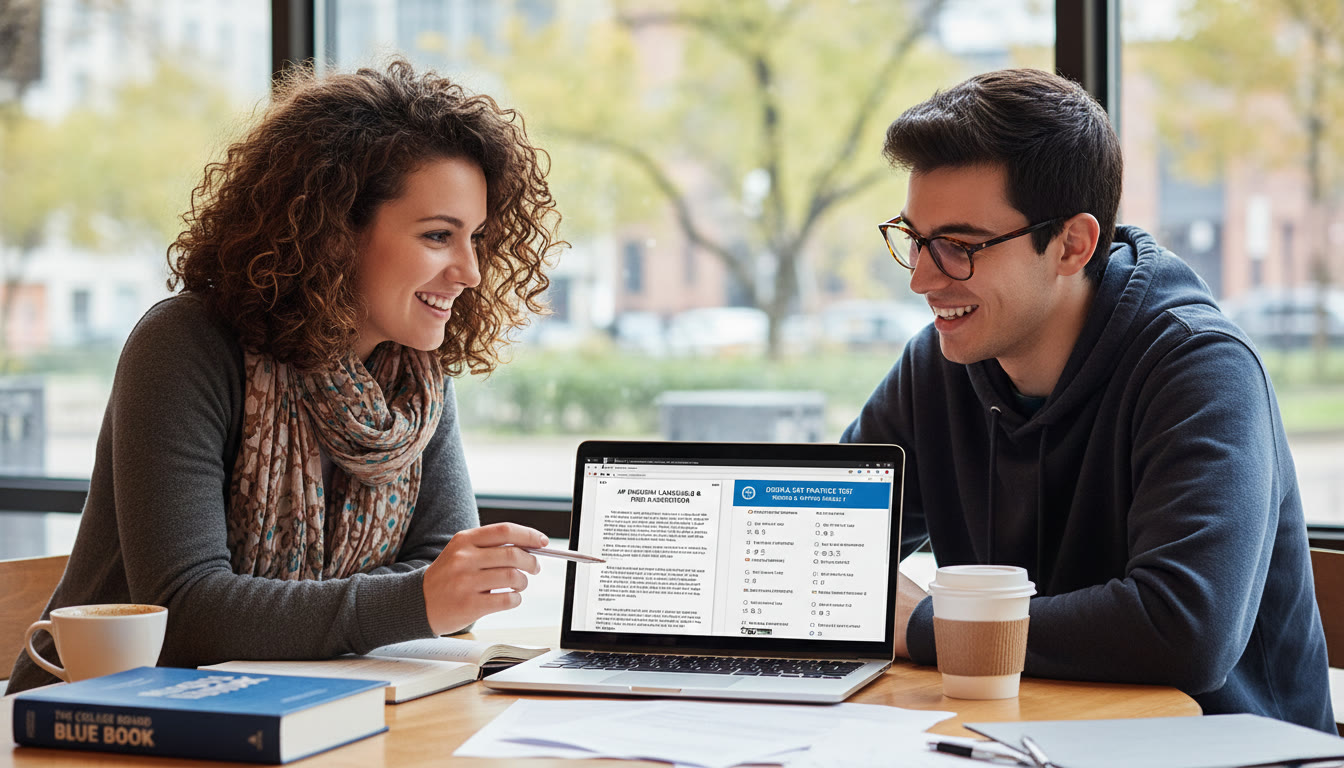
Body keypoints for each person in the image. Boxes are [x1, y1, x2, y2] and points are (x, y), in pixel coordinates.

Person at [6, 60, 565, 693]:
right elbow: (187, 613)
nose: (470, 272)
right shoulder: (186, 345)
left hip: (308, 701)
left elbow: (439, 577)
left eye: (478, 239)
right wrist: (411, 601)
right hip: (102, 718)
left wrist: (406, 599)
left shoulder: (414, 379)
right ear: (334, 233)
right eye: (439, 235)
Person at [843, 68, 1333, 732]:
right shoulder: (938, 364)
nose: (923, 279)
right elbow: (825, 541)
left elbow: (1184, 629)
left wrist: (936, 626)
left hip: (1209, 751)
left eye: (959, 246)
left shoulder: (1202, 368)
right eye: (915, 239)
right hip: (1015, 738)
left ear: (1073, 244)